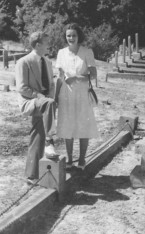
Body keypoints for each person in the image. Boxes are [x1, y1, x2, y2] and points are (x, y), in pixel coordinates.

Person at [15, 31, 59, 184]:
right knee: (47, 107)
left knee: (37, 132)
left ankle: (32, 175)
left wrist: (50, 97)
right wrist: (41, 97)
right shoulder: (24, 62)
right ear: (38, 45)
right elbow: (21, 88)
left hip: (46, 102)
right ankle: (49, 141)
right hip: (31, 101)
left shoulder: (47, 62)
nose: (49, 45)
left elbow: (51, 84)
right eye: (46, 43)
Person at [55, 23, 99, 170]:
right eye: (68, 35)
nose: (71, 38)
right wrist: (55, 97)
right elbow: (60, 77)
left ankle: (81, 160)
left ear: (79, 36)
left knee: (83, 125)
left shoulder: (87, 52)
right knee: (68, 125)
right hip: (66, 94)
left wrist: (76, 78)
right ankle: (69, 159)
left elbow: (93, 74)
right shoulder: (61, 53)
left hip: (82, 94)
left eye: (74, 35)